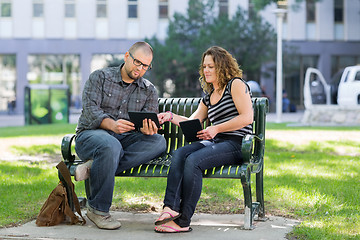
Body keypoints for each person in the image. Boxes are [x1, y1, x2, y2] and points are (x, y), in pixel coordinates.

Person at [154, 46, 254, 233]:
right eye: (204, 66)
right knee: (181, 153)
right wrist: (169, 116)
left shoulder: (236, 85)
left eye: (211, 66)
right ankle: (170, 208)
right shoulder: (209, 96)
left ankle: (183, 222)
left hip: (236, 143)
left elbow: (247, 117)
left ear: (222, 67)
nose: (206, 70)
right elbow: (193, 121)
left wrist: (216, 128)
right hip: (216, 143)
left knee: (194, 161)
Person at [74, 41, 167, 230]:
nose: (140, 69)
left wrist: (147, 128)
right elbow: (91, 111)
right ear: (127, 56)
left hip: (123, 140)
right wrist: (112, 125)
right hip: (91, 135)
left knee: (158, 142)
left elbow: (146, 121)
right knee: (110, 146)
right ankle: (98, 210)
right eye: (137, 62)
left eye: (145, 66)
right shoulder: (100, 77)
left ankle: (97, 166)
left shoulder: (148, 90)